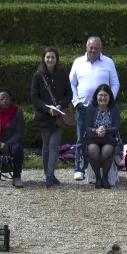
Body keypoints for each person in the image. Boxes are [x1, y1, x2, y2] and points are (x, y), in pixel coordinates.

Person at [69, 36, 119, 180]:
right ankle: (79, 169)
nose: (93, 50)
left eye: (96, 48)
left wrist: (109, 101)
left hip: (102, 108)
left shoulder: (108, 62)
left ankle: (98, 169)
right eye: (91, 47)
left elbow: (115, 83)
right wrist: (76, 101)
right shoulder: (78, 62)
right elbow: (71, 83)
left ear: (100, 49)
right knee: (81, 138)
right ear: (86, 47)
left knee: (102, 136)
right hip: (83, 106)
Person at [30, 47, 73, 187]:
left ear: (56, 59)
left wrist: (60, 105)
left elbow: (69, 94)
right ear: (44, 58)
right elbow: (34, 97)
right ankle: (49, 173)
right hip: (45, 116)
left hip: (59, 117)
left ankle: (49, 174)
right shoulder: (38, 75)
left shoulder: (63, 74)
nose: (50, 59)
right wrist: (47, 109)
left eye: (53, 57)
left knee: (54, 145)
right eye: (48, 57)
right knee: (46, 146)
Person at [81, 84, 122, 188]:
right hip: (93, 138)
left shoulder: (114, 108)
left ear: (110, 96)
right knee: (92, 150)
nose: (103, 98)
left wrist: (105, 130)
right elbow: (87, 126)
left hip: (109, 139)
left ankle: (105, 177)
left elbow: (116, 127)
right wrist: (96, 130)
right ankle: (98, 177)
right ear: (96, 96)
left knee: (107, 151)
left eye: (105, 95)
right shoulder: (91, 107)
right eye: (100, 95)